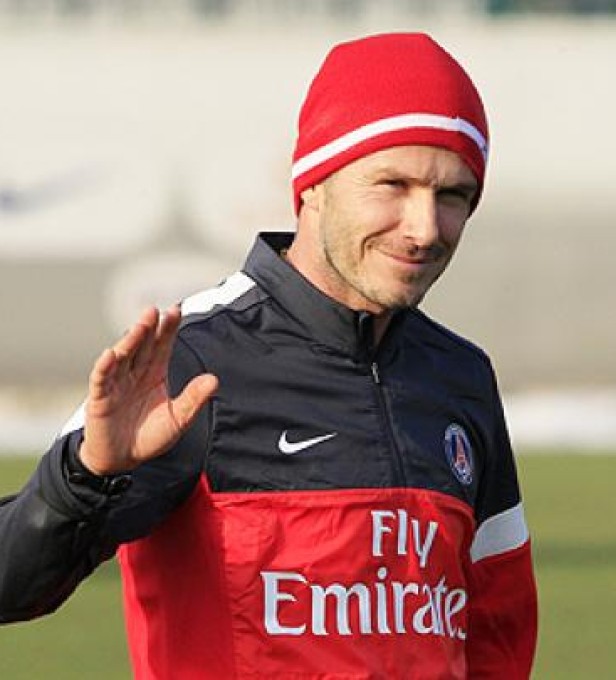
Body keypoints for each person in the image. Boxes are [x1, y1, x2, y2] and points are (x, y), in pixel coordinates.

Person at [0, 32, 537, 679]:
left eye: (453, 195)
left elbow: (497, 633)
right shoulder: (193, 357)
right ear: (313, 184)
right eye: (392, 185)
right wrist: (83, 477)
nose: (424, 228)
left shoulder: (460, 376)